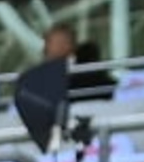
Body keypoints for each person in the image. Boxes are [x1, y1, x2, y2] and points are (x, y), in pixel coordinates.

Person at [10, 24, 113, 153]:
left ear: (70, 45)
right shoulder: (33, 79)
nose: (47, 49)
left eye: (60, 42)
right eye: (51, 43)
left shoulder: (86, 73)